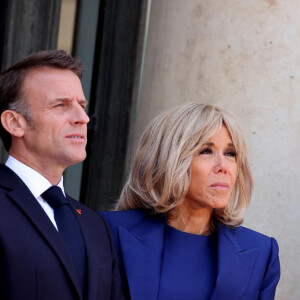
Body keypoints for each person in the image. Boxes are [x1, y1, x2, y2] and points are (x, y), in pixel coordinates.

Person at [100, 103, 280, 300]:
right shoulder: (107, 232)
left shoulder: (262, 251)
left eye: (230, 154)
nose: (223, 167)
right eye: (206, 151)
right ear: (169, 159)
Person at [0, 50, 123, 300]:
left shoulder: (96, 225)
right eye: (61, 105)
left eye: (82, 106)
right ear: (15, 122)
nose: (82, 118)